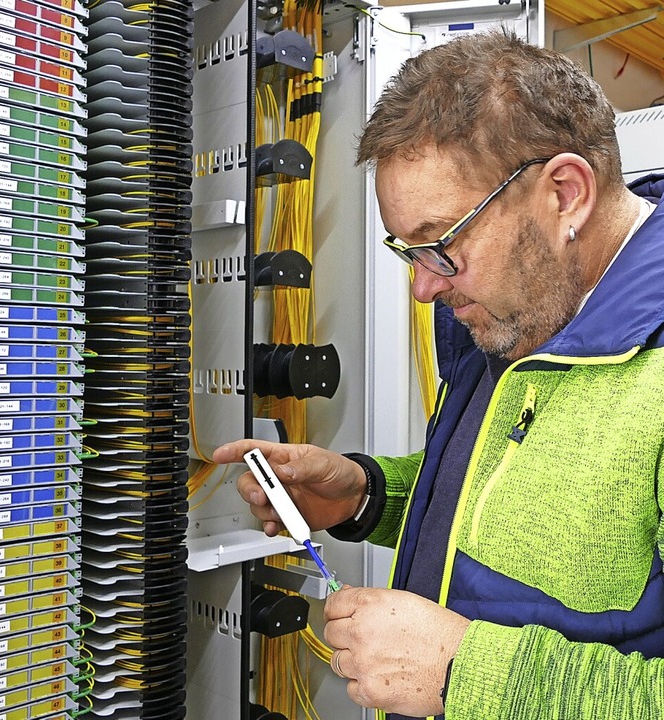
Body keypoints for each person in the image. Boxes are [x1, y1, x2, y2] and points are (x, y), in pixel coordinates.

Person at [213, 29, 664, 719]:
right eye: (410, 252)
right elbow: (506, 506)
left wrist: (465, 674)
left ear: (565, 192)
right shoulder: (512, 314)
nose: (424, 290)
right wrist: (366, 495)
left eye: (442, 244)